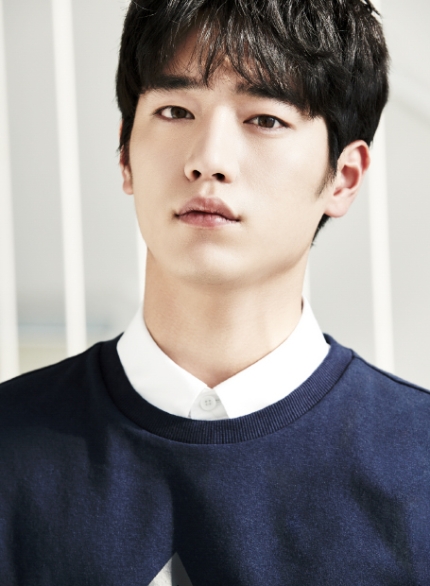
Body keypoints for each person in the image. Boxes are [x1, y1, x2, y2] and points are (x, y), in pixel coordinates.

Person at [1, 0, 429, 584]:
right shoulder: (11, 448)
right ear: (125, 154)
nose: (208, 160)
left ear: (344, 176)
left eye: (265, 120)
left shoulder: (418, 464)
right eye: (176, 111)